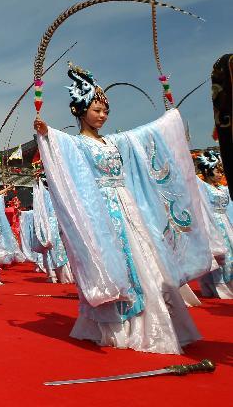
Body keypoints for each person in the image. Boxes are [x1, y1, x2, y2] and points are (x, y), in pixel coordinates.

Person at [34, 63, 215, 354]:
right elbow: (61, 147)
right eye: (96, 110)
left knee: (150, 264)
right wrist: (47, 132)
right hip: (102, 212)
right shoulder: (76, 144)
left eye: (105, 111)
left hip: (130, 208)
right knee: (121, 265)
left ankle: (157, 325)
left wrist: (167, 121)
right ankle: (120, 326)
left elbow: (143, 137)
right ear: (79, 111)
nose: (103, 115)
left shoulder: (114, 141)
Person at [195, 150, 232, 299]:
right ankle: (220, 287)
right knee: (221, 254)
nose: (220, 174)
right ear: (207, 171)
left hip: (227, 222)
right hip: (213, 224)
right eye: (217, 171)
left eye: (221, 171)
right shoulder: (203, 188)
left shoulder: (223, 188)